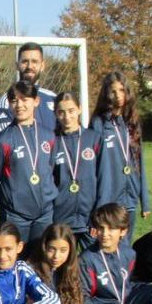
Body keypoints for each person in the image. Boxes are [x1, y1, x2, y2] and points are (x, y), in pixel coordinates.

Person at [0, 81, 57, 244]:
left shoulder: (49, 136)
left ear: (36, 101)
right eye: (14, 100)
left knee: (41, 263)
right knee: (14, 263)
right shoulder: (3, 140)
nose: (19, 105)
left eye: (24, 99)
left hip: (45, 216)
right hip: (15, 217)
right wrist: (9, 202)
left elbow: (52, 171)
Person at [91, 72, 150, 242]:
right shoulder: (99, 123)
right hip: (109, 198)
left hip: (130, 197)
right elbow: (94, 166)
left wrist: (144, 200)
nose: (118, 96)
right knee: (107, 244)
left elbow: (140, 162)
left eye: (122, 90)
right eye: (113, 91)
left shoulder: (132, 123)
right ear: (106, 93)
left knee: (125, 246)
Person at [51, 92, 101, 250]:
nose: (67, 116)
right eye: (61, 112)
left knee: (93, 264)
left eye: (71, 110)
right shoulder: (51, 141)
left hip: (89, 220)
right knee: (62, 268)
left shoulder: (94, 138)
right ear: (55, 113)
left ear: (79, 109)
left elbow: (103, 179)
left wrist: (98, 216)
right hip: (61, 218)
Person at [0, 42, 57, 133]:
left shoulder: (53, 98)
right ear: (17, 65)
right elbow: (7, 139)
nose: (29, 66)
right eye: (25, 61)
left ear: (42, 66)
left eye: (34, 61)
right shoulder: (7, 100)